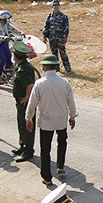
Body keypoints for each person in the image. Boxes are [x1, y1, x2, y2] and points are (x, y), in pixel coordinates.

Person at [26, 54, 77, 187]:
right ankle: (60, 165)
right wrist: (72, 116)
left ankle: (47, 177)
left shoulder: (40, 83)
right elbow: (71, 101)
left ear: (46, 67)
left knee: (45, 150)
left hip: (46, 122)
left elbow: (32, 103)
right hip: (61, 120)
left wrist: (28, 118)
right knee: (62, 142)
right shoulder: (64, 82)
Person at [11, 41, 39, 163]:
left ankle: (28, 150)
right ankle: (22, 146)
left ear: (15, 55)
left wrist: (27, 97)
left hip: (25, 102)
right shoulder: (20, 66)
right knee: (21, 124)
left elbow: (30, 85)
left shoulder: (25, 69)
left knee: (27, 126)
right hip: (20, 101)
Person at [42, 0, 72, 73]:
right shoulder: (49, 16)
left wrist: (65, 37)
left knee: (63, 53)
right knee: (54, 54)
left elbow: (66, 27)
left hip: (60, 38)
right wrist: (44, 36)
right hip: (52, 38)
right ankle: (56, 69)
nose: (56, 7)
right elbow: (46, 26)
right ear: (52, 6)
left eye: (57, 5)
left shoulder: (63, 16)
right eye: (54, 5)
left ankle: (68, 68)